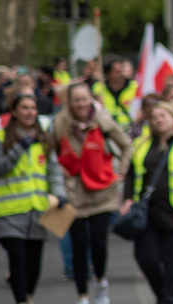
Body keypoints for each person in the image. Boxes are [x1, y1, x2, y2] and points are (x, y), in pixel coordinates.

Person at [53, 83, 135, 304]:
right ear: (69, 102)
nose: (81, 104)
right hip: (72, 195)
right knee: (78, 244)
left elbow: (127, 145)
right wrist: (57, 176)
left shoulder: (104, 121)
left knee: (99, 243)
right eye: (76, 99)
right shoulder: (59, 124)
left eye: (84, 99)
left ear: (91, 99)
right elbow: (48, 153)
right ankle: (82, 296)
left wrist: (121, 173)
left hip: (103, 192)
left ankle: (100, 282)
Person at [121, 101, 173, 304]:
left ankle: (170, 300)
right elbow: (131, 173)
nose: (159, 119)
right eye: (155, 116)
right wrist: (127, 198)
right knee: (146, 258)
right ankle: (163, 296)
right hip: (149, 214)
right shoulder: (142, 144)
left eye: (163, 115)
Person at [0, 94, 67, 304]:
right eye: (24, 108)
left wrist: (60, 193)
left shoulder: (44, 139)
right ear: (14, 112)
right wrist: (20, 147)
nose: (29, 112)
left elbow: (53, 170)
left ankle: (28, 297)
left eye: (33, 108)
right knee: (18, 260)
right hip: (8, 212)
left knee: (34, 266)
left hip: (37, 212)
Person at [92, 59, 139, 130]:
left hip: (131, 129)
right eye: (117, 72)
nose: (121, 74)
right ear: (108, 74)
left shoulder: (134, 87)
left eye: (122, 71)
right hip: (107, 129)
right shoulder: (98, 88)